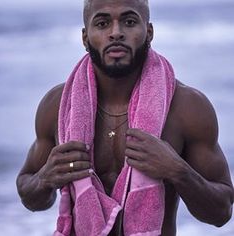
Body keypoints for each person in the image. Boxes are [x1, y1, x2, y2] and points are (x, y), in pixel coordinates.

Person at [16, 0, 234, 235]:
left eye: (129, 22)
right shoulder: (58, 106)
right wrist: (45, 179)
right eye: (102, 23)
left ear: (149, 32)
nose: (116, 33)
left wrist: (177, 171)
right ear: (85, 38)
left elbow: (221, 213)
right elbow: (30, 197)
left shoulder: (187, 107)